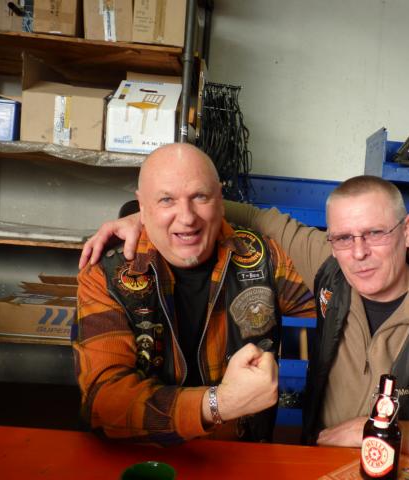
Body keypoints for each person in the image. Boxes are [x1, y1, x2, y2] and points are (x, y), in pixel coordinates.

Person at [80, 175, 409, 469]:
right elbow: (252, 217)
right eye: (343, 237)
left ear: (407, 231)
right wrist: (150, 216)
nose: (358, 252)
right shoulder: (331, 262)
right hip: (321, 466)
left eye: (375, 233)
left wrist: (375, 432)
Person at [73, 143, 314, 446]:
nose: (186, 217)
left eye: (200, 196)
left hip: (242, 457)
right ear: (142, 207)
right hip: (142, 457)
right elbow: (105, 404)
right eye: (166, 200)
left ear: (220, 201)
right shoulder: (105, 275)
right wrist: (218, 404)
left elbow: (341, 298)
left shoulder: (263, 260)